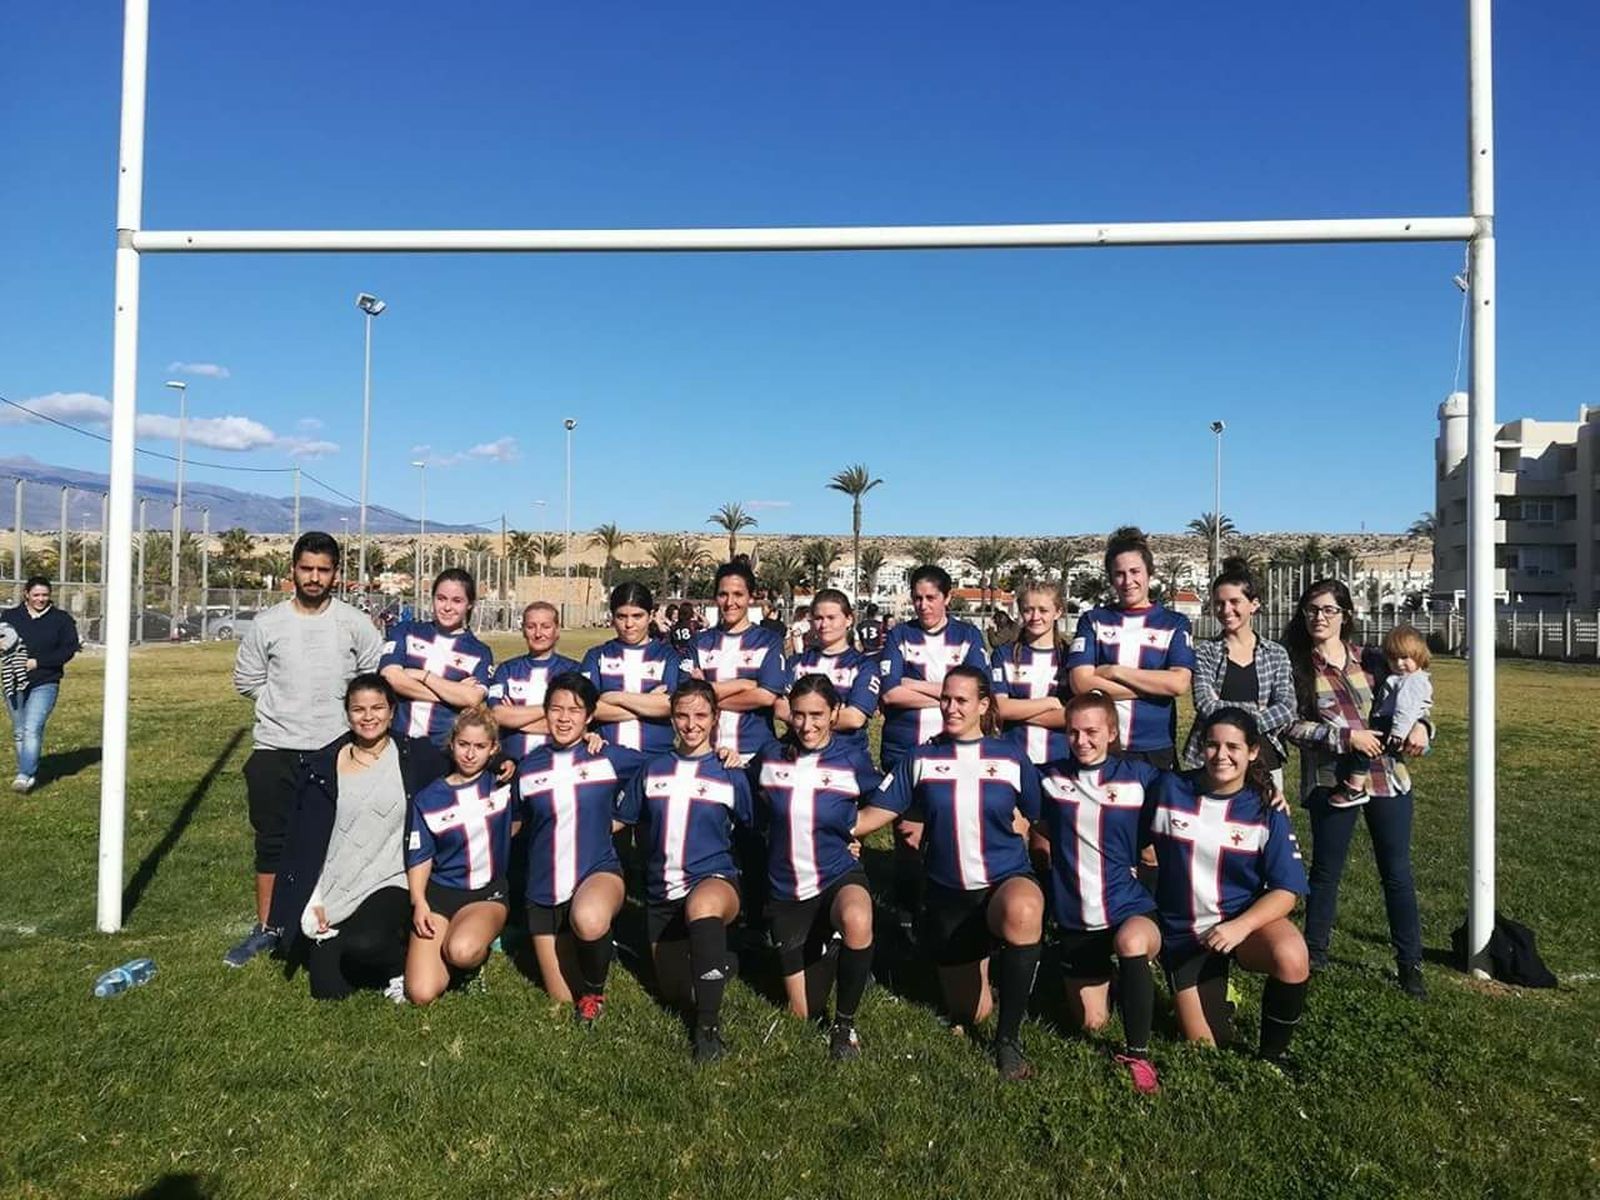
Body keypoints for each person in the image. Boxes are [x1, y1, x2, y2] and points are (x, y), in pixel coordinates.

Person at [875, 666, 1045, 1080]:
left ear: (983, 705)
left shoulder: (1010, 756)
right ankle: (984, 963)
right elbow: (878, 812)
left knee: (1023, 909)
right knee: (970, 1012)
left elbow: (1043, 819)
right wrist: (832, 829)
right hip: (948, 892)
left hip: (1003, 880)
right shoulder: (921, 758)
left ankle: (1008, 1042)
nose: (950, 707)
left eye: (961, 700)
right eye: (945, 699)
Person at [229, 533, 382, 967]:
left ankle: (332, 921)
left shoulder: (354, 623)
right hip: (275, 749)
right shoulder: (268, 624)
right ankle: (269, 928)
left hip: (336, 750)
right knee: (272, 843)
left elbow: (372, 679)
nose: (314, 578)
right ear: (292, 570)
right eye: (306, 569)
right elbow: (247, 679)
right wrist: (282, 709)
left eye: (323, 570)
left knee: (337, 841)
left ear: (336, 574)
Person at [1282, 580, 1431, 997]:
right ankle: (1315, 953)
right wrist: (1346, 738)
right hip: (1333, 782)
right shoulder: (1297, 666)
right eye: (1312, 609)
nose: (1319, 618)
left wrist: (1423, 727)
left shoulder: (1373, 659)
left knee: (1397, 874)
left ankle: (1409, 962)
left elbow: (1415, 697)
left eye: (1329, 610)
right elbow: (1290, 725)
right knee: (1326, 872)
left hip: (1388, 779)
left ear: (1345, 615)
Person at [269, 674, 450, 1001]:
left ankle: (399, 964)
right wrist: (314, 897)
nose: (368, 717)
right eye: (358, 709)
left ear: (392, 711)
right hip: (340, 881)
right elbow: (303, 841)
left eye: (378, 708)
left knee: (367, 942)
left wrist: (501, 761)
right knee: (328, 990)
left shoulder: (414, 756)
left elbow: (462, 759)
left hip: (392, 878)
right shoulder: (321, 767)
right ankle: (353, 944)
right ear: (347, 714)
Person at [1146, 708, 1310, 1065]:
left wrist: (1240, 927)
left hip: (1240, 924)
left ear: (1253, 752)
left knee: (1292, 955)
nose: (1222, 755)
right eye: (1212, 745)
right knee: (1207, 1049)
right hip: (1185, 934)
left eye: (1233, 747)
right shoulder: (1168, 788)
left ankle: (1273, 1057)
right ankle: (1219, 998)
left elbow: (1287, 891)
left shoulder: (1266, 807)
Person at [749, 674, 897, 1059]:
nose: (807, 724)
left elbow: (888, 798)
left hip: (836, 872)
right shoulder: (770, 756)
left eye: (817, 714)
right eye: (798, 715)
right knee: (801, 1013)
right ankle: (829, 949)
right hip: (786, 887)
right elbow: (746, 798)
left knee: (858, 917)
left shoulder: (853, 760)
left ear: (834, 714)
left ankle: (844, 1026)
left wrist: (855, 828)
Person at [617, 680, 756, 1063]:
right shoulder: (653, 769)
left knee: (703, 906)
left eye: (700, 715)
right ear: (671, 718)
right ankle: (726, 958)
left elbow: (760, 829)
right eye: (682, 715)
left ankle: (707, 1029)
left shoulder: (731, 773)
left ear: (715, 719)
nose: (691, 724)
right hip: (663, 894)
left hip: (714, 881)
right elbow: (620, 818)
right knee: (675, 992)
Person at [1035, 693, 1164, 1094]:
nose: (1082, 740)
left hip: (1130, 908)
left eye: (1092, 731)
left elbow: (1205, 790)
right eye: (1072, 732)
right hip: (1077, 916)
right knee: (1092, 1025)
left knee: (1131, 941)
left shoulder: (1142, 777)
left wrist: (1265, 793)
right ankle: (1124, 979)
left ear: (1112, 732)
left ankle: (1138, 1055)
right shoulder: (1048, 777)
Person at [516, 672, 647, 1021]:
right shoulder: (528, 767)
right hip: (543, 890)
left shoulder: (606, 755)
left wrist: (622, 816)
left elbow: (658, 769)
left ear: (589, 716)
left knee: (588, 920)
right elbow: (514, 823)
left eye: (574, 710)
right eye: (556, 709)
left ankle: (595, 993)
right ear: (545, 712)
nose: (563, 718)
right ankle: (597, 948)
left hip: (597, 870)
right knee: (560, 997)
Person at [878, 564, 988, 935]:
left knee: (952, 832)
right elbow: (891, 692)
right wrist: (946, 691)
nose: (923, 605)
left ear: (947, 597)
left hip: (954, 751)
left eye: (931, 598)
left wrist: (917, 683)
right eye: (917, 598)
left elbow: (974, 694)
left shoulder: (968, 635)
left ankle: (950, 910)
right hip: (904, 748)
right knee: (907, 834)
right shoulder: (900, 635)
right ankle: (907, 913)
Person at [403, 707, 516, 1005]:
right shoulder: (428, 798)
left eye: (480, 746)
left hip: (485, 895)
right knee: (421, 993)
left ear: (493, 749)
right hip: (440, 895)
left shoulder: (502, 786)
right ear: (451, 744)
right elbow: (420, 855)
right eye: (464, 744)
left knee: (461, 951)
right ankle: (453, 940)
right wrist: (419, 901)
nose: (470, 754)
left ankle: (477, 953)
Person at [1065, 526, 1194, 768]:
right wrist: (1152, 688)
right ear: (1111, 578)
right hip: (1102, 746)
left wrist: (1115, 671)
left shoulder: (1174, 623)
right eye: (1119, 574)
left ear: (1149, 573)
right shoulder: (1093, 620)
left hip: (1154, 746)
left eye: (1135, 571)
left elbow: (1178, 683)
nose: (1128, 581)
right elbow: (1081, 683)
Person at [1182, 557, 1296, 795]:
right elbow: (1205, 704)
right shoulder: (1205, 652)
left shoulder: (1276, 653)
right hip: (1215, 760)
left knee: (1264, 825)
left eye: (1235, 602)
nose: (1226, 610)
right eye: (1219, 604)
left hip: (1264, 758)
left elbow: (1286, 707)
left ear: (1254, 604)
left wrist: (1236, 720)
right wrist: (1257, 713)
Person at [682, 561, 786, 767]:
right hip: (707, 753)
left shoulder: (769, 641)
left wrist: (707, 696)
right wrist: (745, 684)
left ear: (751, 597)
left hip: (755, 754)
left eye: (738, 594)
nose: (730, 602)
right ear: (715, 597)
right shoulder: (699, 642)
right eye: (723, 594)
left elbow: (766, 696)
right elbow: (687, 697)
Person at [379, 569, 493, 746]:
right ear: (432, 599)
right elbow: (391, 677)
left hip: (443, 749)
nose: (447, 607)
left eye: (457, 601)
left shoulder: (480, 652)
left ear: (469, 604)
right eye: (441, 598)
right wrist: (453, 694)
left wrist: (422, 676)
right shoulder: (406, 630)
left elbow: (472, 698)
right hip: (395, 742)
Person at [1333, 625, 1434, 807]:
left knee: (1364, 748)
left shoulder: (1411, 681)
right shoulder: (1402, 677)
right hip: (1393, 722)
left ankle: (1355, 788)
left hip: (1392, 722)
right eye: (1393, 659)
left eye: (1405, 658)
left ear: (1419, 655)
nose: (1399, 664)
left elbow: (1406, 709)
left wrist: (1398, 733)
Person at [773, 589, 880, 753]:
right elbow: (780, 707)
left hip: (846, 755)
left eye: (831, 618)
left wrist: (802, 717)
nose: (824, 625)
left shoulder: (864, 665)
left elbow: (854, 718)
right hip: (799, 754)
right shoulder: (797, 662)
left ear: (849, 619)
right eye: (818, 618)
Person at [582, 582, 682, 755]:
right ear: (612, 616)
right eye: (621, 617)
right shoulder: (596, 656)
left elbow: (670, 705)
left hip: (656, 757)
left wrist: (615, 697)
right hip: (606, 755)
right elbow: (588, 709)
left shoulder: (668, 655)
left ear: (650, 616)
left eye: (637, 616)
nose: (629, 624)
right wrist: (647, 704)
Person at [2, 575, 79, 794]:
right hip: (13, 681)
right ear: (26, 594)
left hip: (45, 681)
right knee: (19, 731)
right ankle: (27, 770)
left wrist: (38, 662)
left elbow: (68, 649)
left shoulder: (61, 619)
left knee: (32, 728)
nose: (41, 599)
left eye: (45, 595)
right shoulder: (10, 616)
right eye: (36, 595)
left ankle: (25, 774)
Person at [487, 601, 581, 763]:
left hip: (558, 764)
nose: (538, 633)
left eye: (545, 626)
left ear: (557, 630)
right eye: (531, 627)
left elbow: (573, 724)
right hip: (511, 765)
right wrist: (554, 711)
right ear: (523, 630)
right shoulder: (506, 670)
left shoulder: (574, 670)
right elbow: (497, 715)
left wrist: (515, 720)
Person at [991, 581, 1070, 766]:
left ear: (1058, 612)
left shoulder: (1070, 656)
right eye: (1028, 610)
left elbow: (1074, 716)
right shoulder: (1003, 654)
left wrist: (1016, 712)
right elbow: (999, 709)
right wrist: (1050, 703)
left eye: (1043, 610)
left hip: (1060, 761)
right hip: (1012, 759)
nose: (1035, 617)